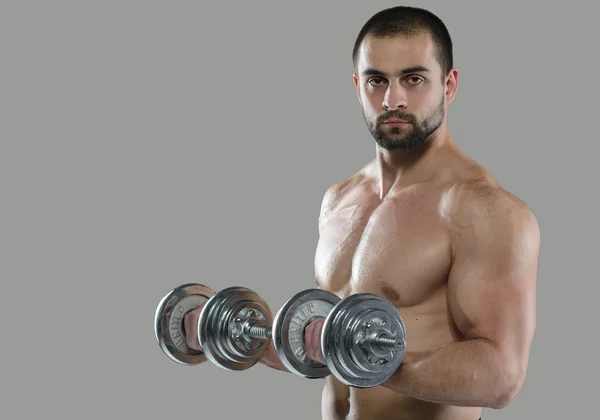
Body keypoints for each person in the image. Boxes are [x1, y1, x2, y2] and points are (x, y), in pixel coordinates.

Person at [186, 5, 539, 420]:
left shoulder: (482, 209)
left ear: (450, 84)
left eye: (413, 79)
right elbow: (319, 351)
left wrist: (363, 356)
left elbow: (502, 376)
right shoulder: (339, 199)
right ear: (358, 86)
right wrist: (227, 330)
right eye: (377, 81)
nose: (393, 99)